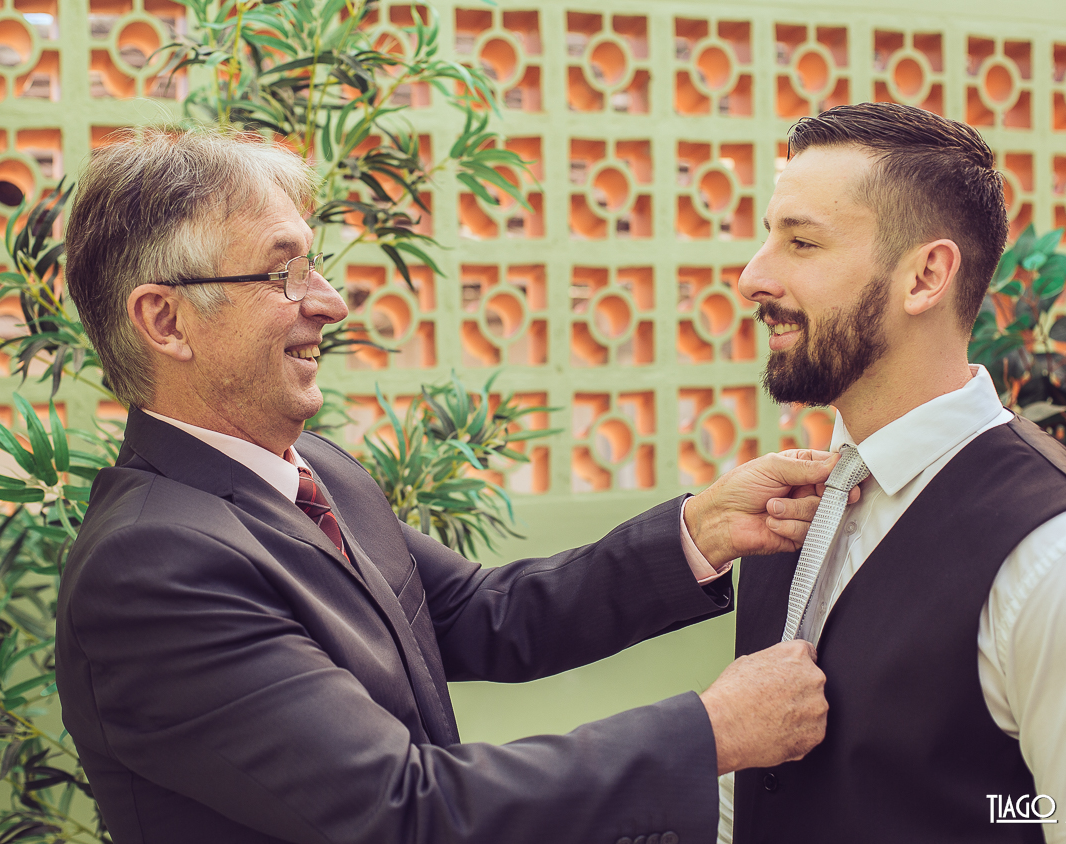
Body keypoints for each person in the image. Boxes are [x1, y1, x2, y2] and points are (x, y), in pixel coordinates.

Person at [54, 126, 834, 844]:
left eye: (314, 264)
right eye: (283, 272)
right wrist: (711, 731)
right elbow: (400, 808)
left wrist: (700, 530)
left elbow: (479, 612)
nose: (329, 301)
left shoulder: (316, 470)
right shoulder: (151, 566)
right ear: (165, 322)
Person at [725, 102, 1066, 843]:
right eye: (768, 238)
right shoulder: (792, 512)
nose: (752, 277)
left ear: (926, 276)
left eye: (801, 242)